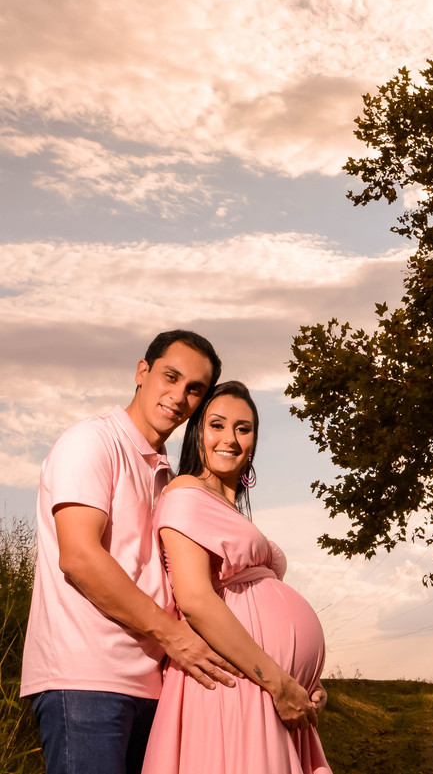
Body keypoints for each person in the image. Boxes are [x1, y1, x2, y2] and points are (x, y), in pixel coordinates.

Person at [22, 330, 240, 774]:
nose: (179, 396)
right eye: (170, 377)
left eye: (194, 389)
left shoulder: (167, 475)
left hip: (155, 684)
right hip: (85, 680)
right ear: (142, 372)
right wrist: (173, 637)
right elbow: (79, 557)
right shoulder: (93, 442)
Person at [142, 380, 331, 774]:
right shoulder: (186, 494)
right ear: (197, 433)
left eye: (243, 429)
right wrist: (279, 682)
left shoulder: (223, 507)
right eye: (217, 425)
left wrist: (300, 683)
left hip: (264, 688)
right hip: (235, 684)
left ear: (254, 442)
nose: (230, 438)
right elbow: (194, 599)